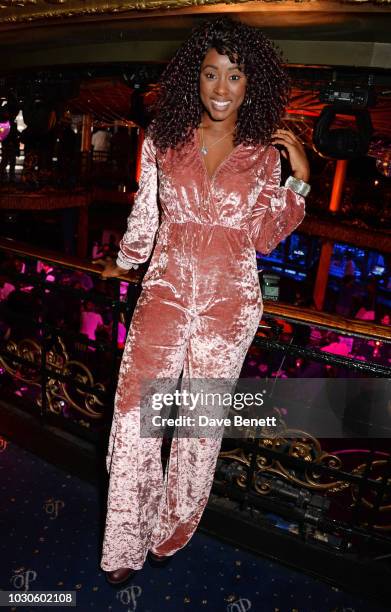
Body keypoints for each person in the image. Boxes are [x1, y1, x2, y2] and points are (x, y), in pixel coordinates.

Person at [99, 16, 310, 585]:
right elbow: (146, 216)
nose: (221, 88)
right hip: (165, 292)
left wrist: (299, 181)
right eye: (211, 73)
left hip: (230, 304)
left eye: (234, 76)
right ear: (195, 78)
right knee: (133, 418)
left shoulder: (264, 156)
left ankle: (172, 529)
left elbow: (265, 236)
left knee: (199, 427)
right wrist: (124, 262)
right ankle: (123, 541)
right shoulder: (162, 141)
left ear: (251, 84)